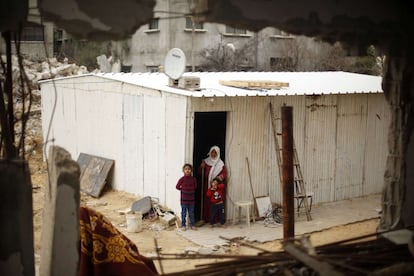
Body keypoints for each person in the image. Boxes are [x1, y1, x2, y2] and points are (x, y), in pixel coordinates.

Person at [199, 145, 227, 222]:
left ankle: (216, 219)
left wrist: (217, 180)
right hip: (207, 186)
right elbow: (200, 174)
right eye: (212, 152)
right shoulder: (206, 161)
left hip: (216, 187)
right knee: (207, 202)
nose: (213, 154)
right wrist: (201, 167)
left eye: (215, 152)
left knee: (216, 202)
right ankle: (207, 218)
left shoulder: (220, 164)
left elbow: (224, 174)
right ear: (210, 152)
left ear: (218, 153)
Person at [176, 163, 197, 231]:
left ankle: (192, 225)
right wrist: (183, 189)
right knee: (184, 213)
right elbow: (177, 187)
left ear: (191, 170)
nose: (187, 170)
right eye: (186, 169)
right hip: (184, 200)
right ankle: (183, 225)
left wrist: (190, 190)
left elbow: (195, 187)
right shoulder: (182, 179)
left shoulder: (193, 179)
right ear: (183, 171)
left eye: (189, 169)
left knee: (191, 213)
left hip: (191, 200)